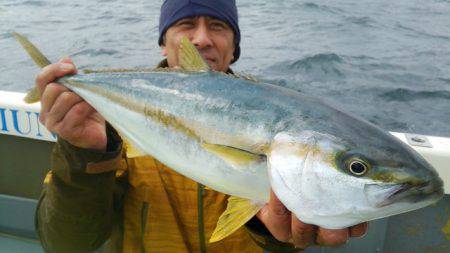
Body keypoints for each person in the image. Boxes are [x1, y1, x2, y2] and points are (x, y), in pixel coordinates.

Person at [35, 0, 368, 252]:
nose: (202, 38)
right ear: (164, 44)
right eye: (186, 24)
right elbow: (66, 243)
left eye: (218, 27)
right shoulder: (111, 127)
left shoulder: (280, 120)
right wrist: (84, 156)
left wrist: (272, 235)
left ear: (234, 47)